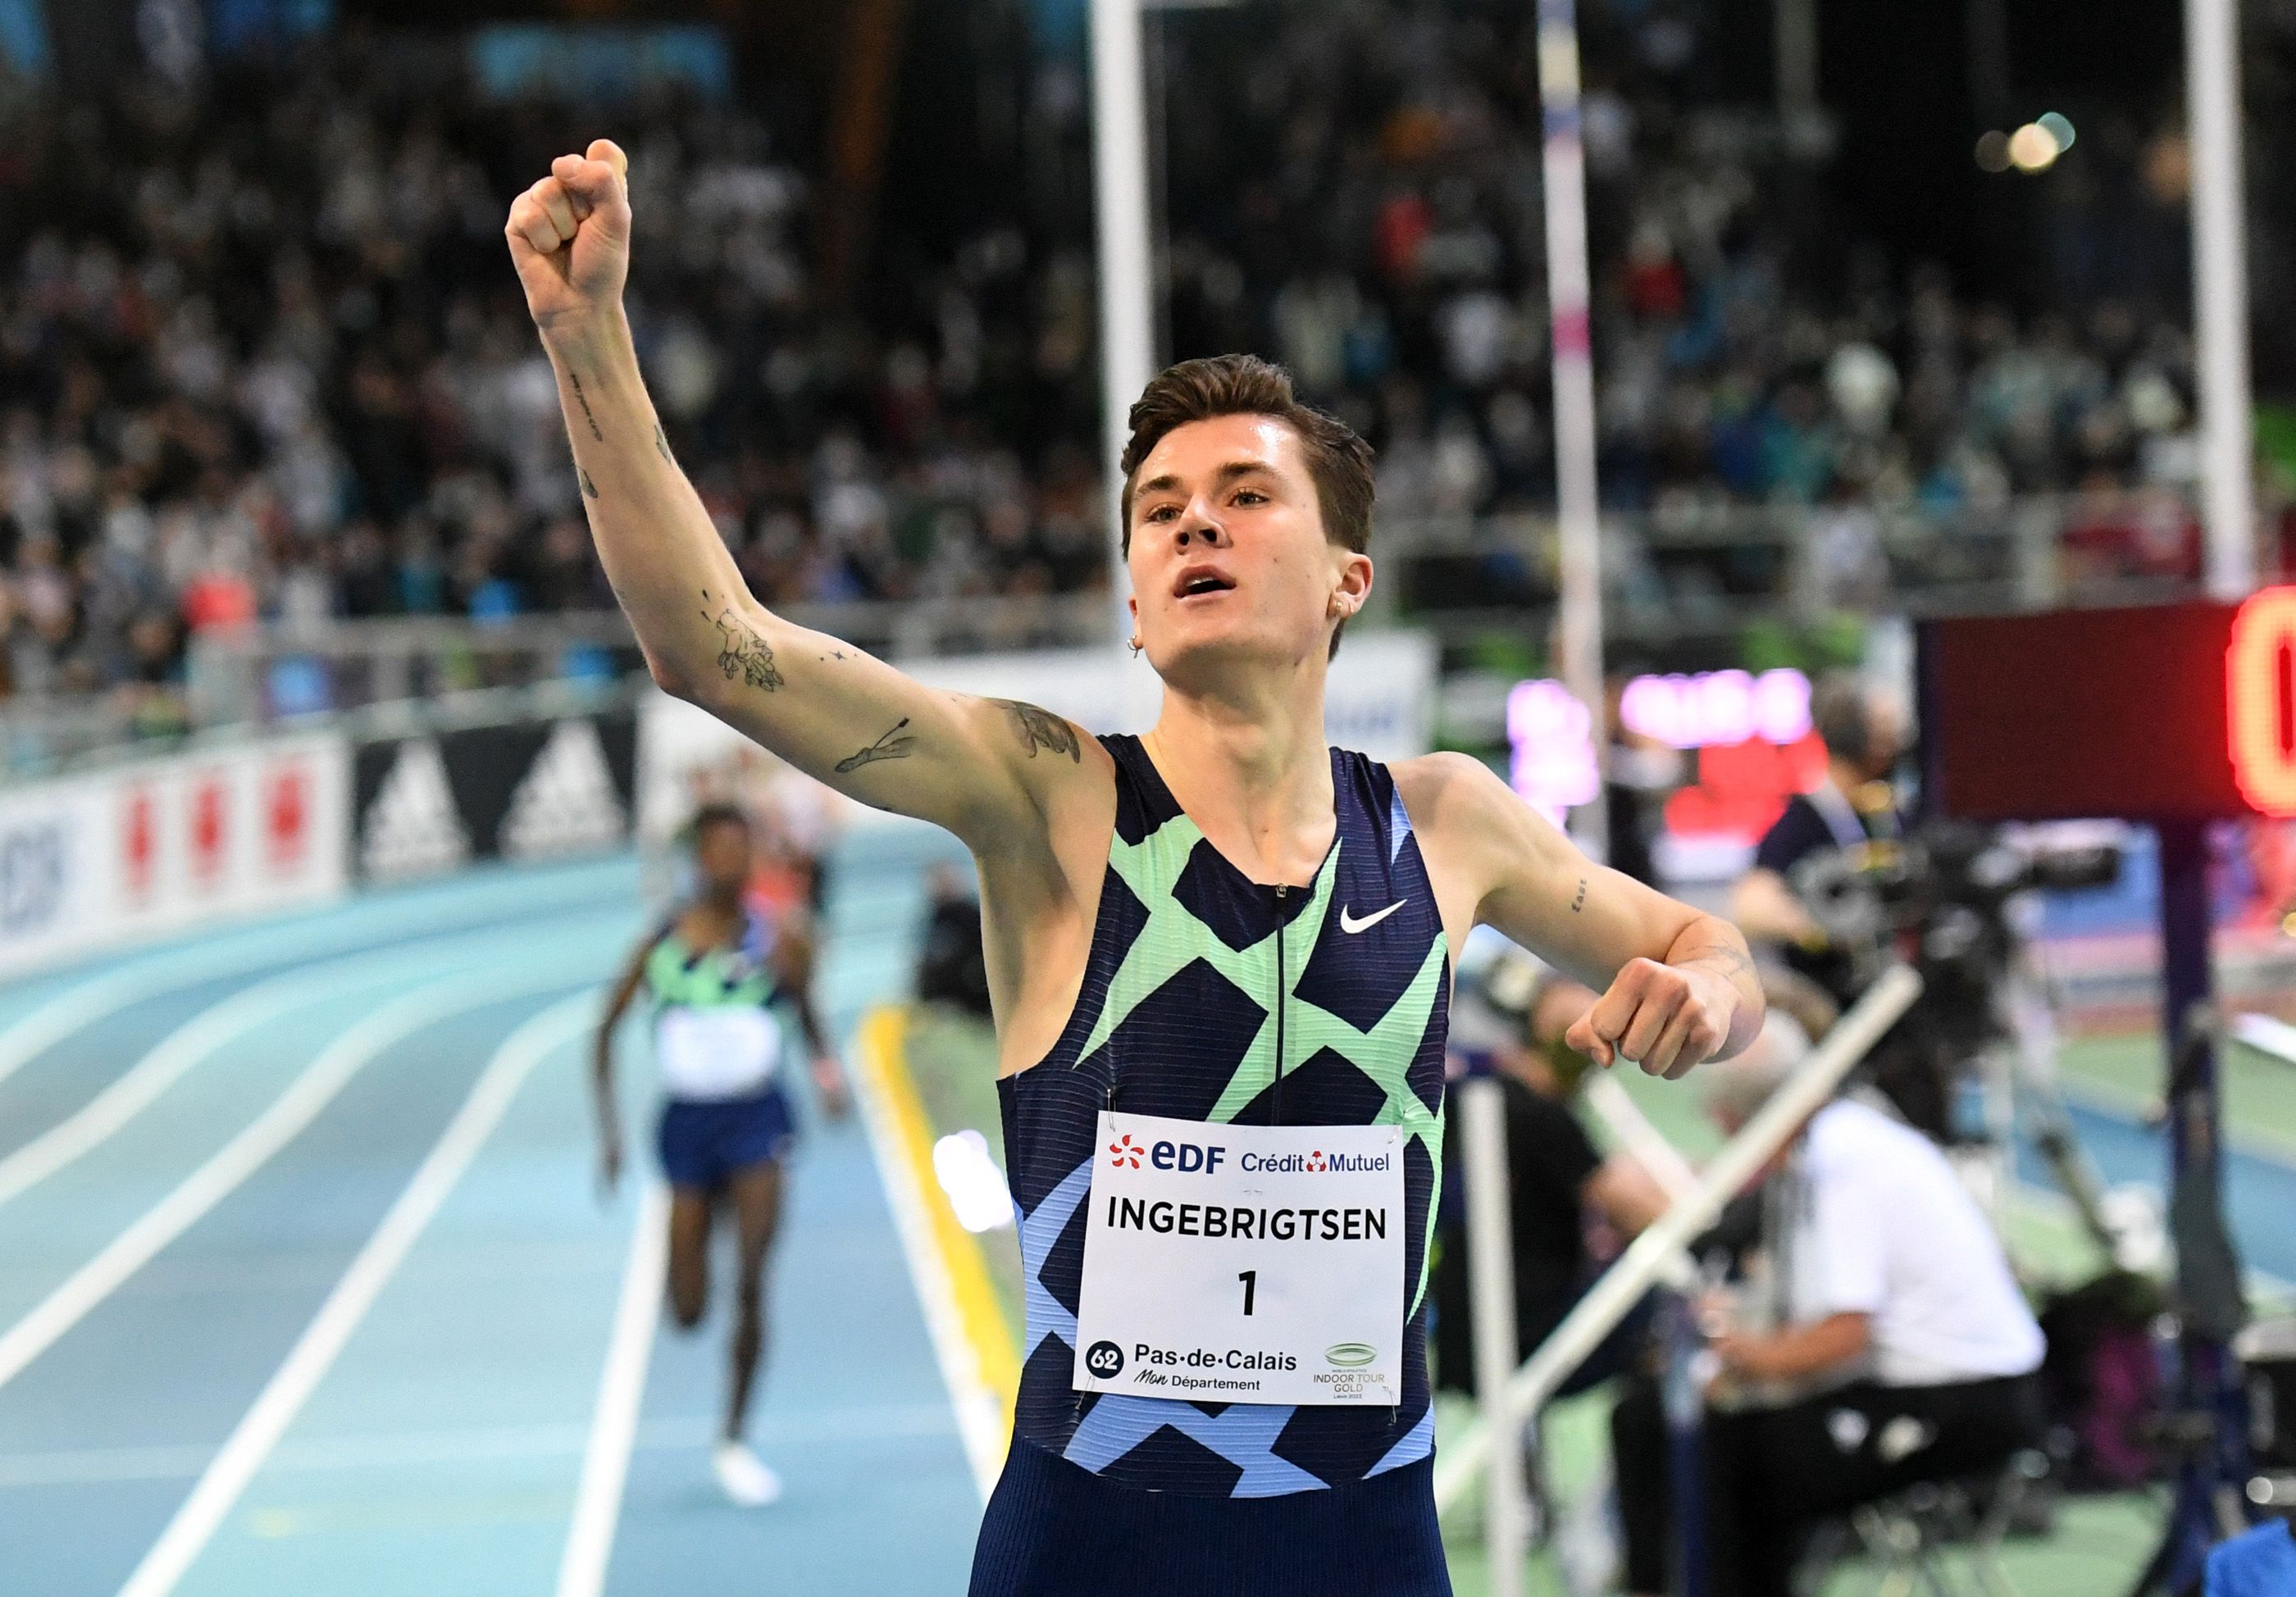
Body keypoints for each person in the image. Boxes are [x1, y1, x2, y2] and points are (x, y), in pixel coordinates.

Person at [508, 141, 1764, 1595]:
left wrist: (1710, 995)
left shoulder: (1449, 823)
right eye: (1160, 509)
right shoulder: (1048, 798)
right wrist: (584, 333)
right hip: (1098, 1540)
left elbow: (1704, 947)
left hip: (1368, 1538)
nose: (1194, 523)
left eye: (1243, 493)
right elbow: (715, 649)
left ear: (1349, 578)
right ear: (1133, 591)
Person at [1609, 1019, 2046, 1597]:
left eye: (1722, 1115)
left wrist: (1744, 1359)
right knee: (1664, 1424)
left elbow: (1844, 1335)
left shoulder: (1843, 1165)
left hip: (1962, 1400)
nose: (1719, 1128)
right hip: (1927, 1382)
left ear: (1742, 1115)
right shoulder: (1835, 1140)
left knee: (1739, 1460)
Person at [592, 802, 849, 1508]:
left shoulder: (777, 943)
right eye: (719, 851)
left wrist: (829, 1076)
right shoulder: (664, 944)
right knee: (687, 1307)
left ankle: (734, 1438)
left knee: (753, 1282)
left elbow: (809, 1013)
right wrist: (611, 1136)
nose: (733, 863)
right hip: (686, 1128)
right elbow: (603, 1033)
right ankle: (693, 1274)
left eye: (744, 849)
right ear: (698, 859)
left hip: (759, 1121)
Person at [1433, 956, 1670, 1399]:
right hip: (1519, 1330)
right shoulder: (1537, 1114)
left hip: (1462, 1327)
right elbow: (1642, 1214)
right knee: (1671, 1302)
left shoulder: (1483, 1094)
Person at [1729, 672, 1907, 1008]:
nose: (1896, 742)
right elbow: (1749, 907)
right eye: (1885, 731)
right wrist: (1820, 927)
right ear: (1855, 737)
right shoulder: (1804, 821)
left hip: (1894, 986)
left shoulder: (1890, 814)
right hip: (1830, 996)